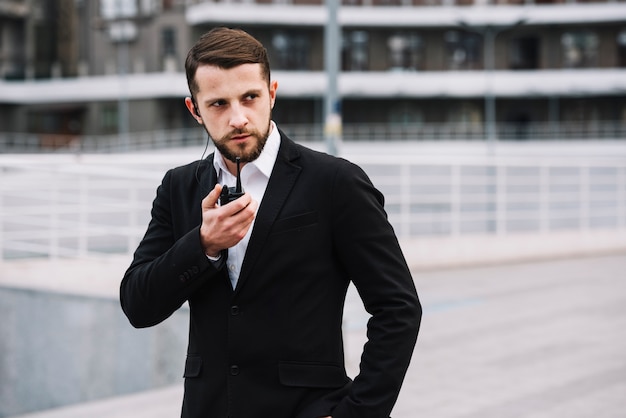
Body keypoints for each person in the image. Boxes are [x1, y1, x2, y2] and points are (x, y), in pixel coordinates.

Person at [120, 27, 421, 418]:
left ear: (272, 93)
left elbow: (398, 308)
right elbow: (138, 305)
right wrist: (203, 245)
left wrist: (356, 413)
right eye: (218, 104)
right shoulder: (178, 188)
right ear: (195, 110)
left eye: (250, 98)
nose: (238, 118)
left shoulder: (335, 182)